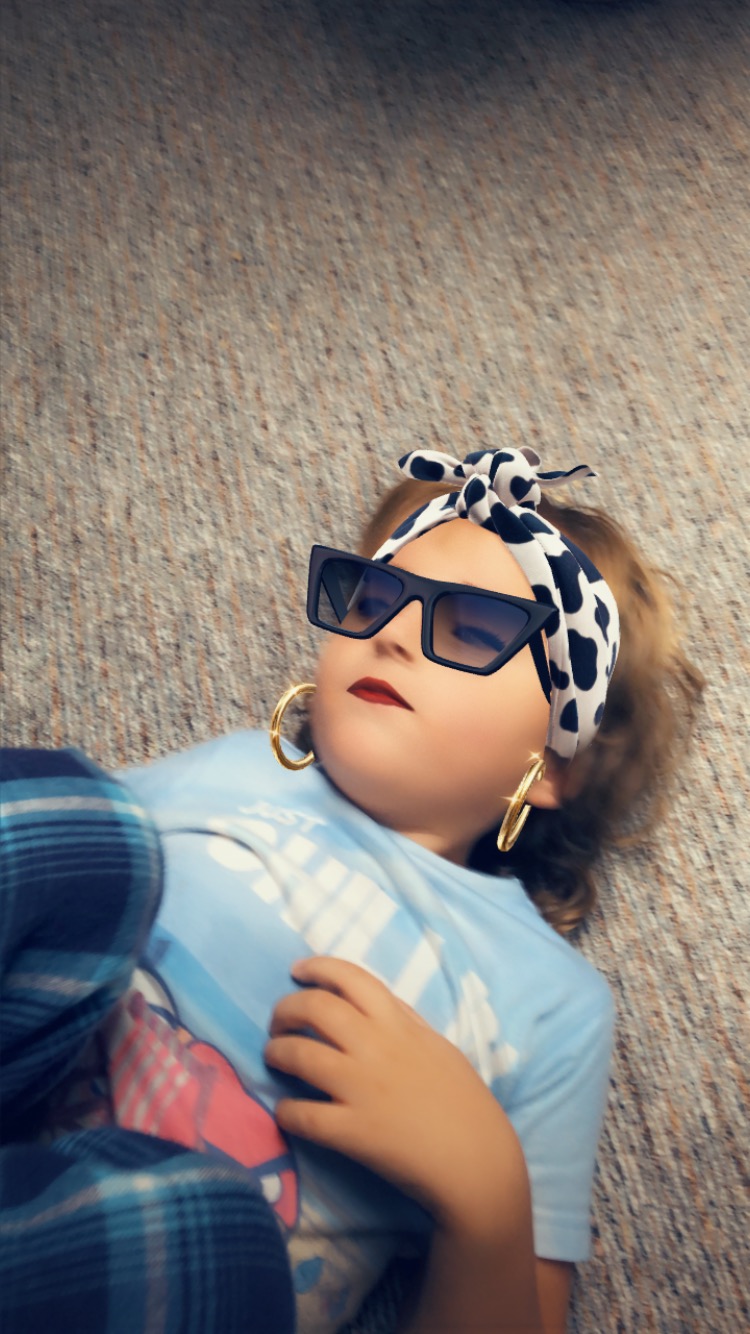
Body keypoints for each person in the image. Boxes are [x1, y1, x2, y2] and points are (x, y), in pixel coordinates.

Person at [0, 446, 702, 1334]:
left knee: (219, 1238)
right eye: (373, 599)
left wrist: (485, 1187)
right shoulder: (238, 768)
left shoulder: (553, 1004)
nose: (391, 634)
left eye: (473, 629)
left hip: (129, 1266)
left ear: (558, 763)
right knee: (86, 827)